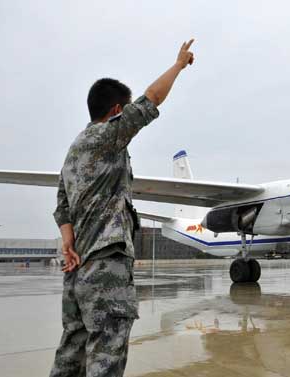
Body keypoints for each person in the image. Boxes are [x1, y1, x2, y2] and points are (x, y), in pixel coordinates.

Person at [49, 39, 195, 377]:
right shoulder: (105, 137)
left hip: (78, 272)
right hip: (105, 268)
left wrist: (68, 243)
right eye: (123, 111)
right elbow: (151, 101)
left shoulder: (74, 152)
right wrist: (178, 65)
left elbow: (61, 205)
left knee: (71, 354)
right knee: (107, 354)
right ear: (116, 111)